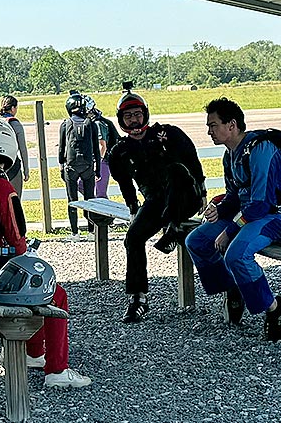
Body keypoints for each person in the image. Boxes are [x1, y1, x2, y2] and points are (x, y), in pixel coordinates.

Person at [0, 119, 92, 388]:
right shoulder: (0, 186)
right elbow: (17, 239)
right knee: (55, 294)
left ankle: (32, 353)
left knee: (31, 288)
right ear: (9, 150)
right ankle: (57, 370)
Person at [185, 98, 281, 341]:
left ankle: (274, 308)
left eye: (213, 125)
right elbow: (234, 196)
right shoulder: (230, 154)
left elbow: (261, 203)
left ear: (231, 125)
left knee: (236, 255)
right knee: (196, 241)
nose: (209, 131)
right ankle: (235, 289)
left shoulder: (261, 149)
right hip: (248, 216)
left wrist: (230, 229)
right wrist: (219, 211)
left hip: (274, 217)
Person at [106, 86, 205, 323]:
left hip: (185, 196)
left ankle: (173, 227)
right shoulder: (119, 152)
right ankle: (138, 298)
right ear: (121, 120)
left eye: (137, 114)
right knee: (133, 238)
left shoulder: (168, 134)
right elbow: (126, 185)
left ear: (145, 114)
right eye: (128, 116)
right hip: (155, 202)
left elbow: (192, 159)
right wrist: (132, 209)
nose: (134, 119)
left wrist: (201, 190)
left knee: (174, 170)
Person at [56, 92, 98, 234]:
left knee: (72, 200)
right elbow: (96, 149)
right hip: (88, 166)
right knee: (90, 199)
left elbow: (62, 148)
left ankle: (75, 232)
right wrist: (97, 168)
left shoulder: (65, 124)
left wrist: (61, 167)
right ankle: (92, 231)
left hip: (71, 167)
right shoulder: (91, 124)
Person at [0, 95, 30, 195]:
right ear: (12, 108)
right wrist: (26, 170)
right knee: (15, 201)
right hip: (12, 166)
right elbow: (22, 148)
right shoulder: (15, 123)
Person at [89, 105, 118, 198]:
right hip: (101, 160)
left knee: (100, 194)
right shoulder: (99, 122)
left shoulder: (98, 124)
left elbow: (102, 146)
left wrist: (98, 163)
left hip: (103, 161)